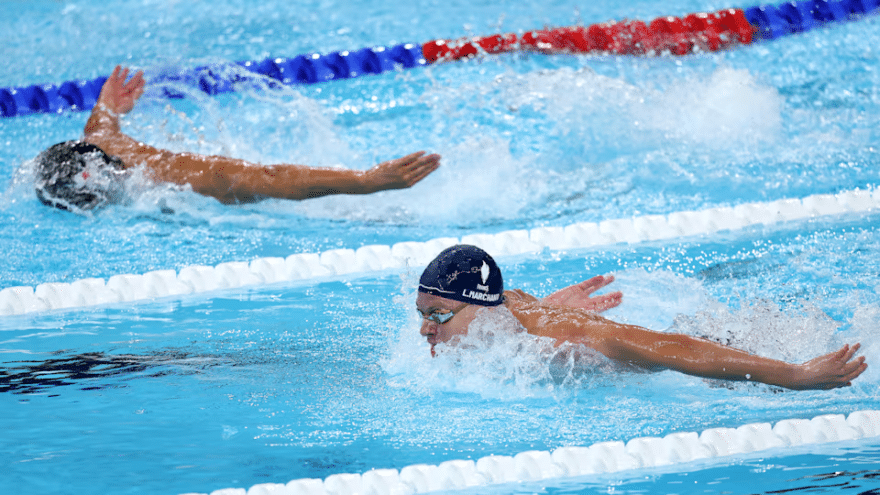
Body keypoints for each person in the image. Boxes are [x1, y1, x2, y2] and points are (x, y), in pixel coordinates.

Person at [415, 244, 868, 391]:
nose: (425, 328)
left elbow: (673, 350)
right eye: (422, 313)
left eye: (438, 314)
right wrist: (549, 305)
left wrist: (793, 373)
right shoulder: (500, 305)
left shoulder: (568, 337)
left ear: (477, 306)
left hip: (712, 364)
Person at [34, 66, 441, 211]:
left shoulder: (169, 177)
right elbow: (98, 131)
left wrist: (366, 182)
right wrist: (107, 109)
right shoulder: (104, 146)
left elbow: (268, 178)